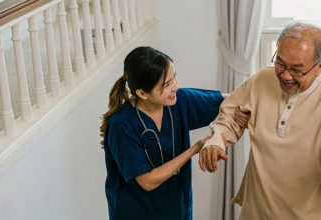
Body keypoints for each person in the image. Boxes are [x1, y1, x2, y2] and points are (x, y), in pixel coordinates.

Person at [198, 22, 321, 219]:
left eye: (297, 69)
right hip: (254, 212)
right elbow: (230, 117)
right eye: (280, 63)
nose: (286, 75)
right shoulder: (263, 79)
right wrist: (216, 141)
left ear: (320, 66)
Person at [99, 46, 249, 220]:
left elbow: (228, 100)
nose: (175, 86)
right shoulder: (122, 125)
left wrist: (245, 107)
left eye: (174, 77)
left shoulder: (180, 102)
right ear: (142, 93)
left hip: (177, 209)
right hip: (137, 213)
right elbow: (147, 181)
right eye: (166, 84)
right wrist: (195, 148)